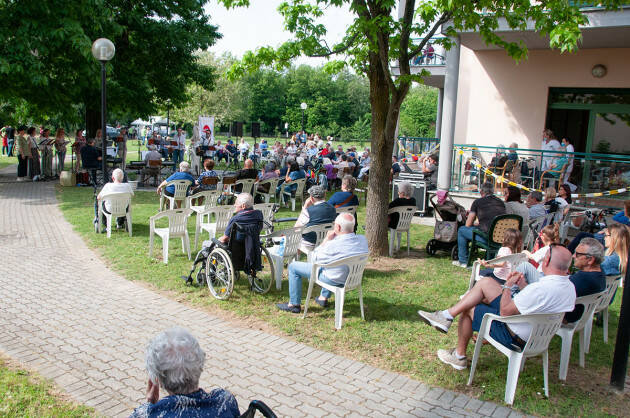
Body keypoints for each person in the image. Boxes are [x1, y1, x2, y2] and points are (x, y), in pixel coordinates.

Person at [418, 244, 576, 370]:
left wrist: (508, 286)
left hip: (515, 336)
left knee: (469, 308)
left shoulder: (540, 289)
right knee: (486, 283)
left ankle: (459, 356)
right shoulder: (569, 287)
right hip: (538, 336)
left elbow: (505, 312)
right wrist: (523, 286)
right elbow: (539, 303)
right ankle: (446, 316)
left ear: (546, 261)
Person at [130, 327, 240, 418]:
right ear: (200, 363)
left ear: (157, 378)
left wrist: (150, 403)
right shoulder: (225, 400)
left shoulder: (145, 414)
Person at [277, 213, 368, 313]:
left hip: (334, 279)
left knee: (293, 267)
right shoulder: (362, 240)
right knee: (333, 266)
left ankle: (293, 304)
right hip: (352, 278)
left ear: (337, 227)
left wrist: (326, 240)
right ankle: (323, 298)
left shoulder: (332, 244)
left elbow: (313, 259)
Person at [454, 182, 506, 267]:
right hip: (499, 237)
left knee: (462, 230)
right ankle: (490, 258)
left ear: (481, 192)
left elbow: (468, 224)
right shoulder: (501, 202)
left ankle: (463, 261)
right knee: (482, 228)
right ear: (492, 192)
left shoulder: (478, 202)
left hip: (487, 238)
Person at [295, 185, 337, 253]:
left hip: (310, 243)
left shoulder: (308, 211)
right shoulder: (333, 208)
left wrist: (305, 206)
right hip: (327, 241)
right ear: (325, 195)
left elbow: (296, 227)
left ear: (311, 198)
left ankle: (295, 261)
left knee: (295, 237)